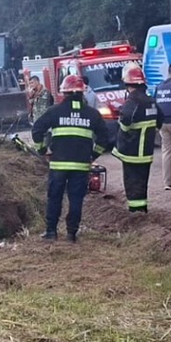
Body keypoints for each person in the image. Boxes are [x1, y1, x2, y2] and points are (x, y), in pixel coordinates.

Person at [31, 74, 111, 242]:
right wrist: (93, 155)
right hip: (81, 165)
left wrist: (43, 150)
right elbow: (105, 138)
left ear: (64, 93)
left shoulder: (54, 111)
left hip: (58, 164)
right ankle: (71, 234)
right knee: (76, 199)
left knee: (54, 198)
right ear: (82, 93)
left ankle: (51, 232)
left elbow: (36, 130)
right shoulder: (92, 114)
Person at [113, 63, 161, 213]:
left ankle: (135, 213)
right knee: (142, 182)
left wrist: (125, 129)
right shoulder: (151, 101)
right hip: (146, 151)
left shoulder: (133, 100)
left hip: (132, 151)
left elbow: (125, 118)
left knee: (132, 183)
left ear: (128, 84)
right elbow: (160, 119)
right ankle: (142, 209)